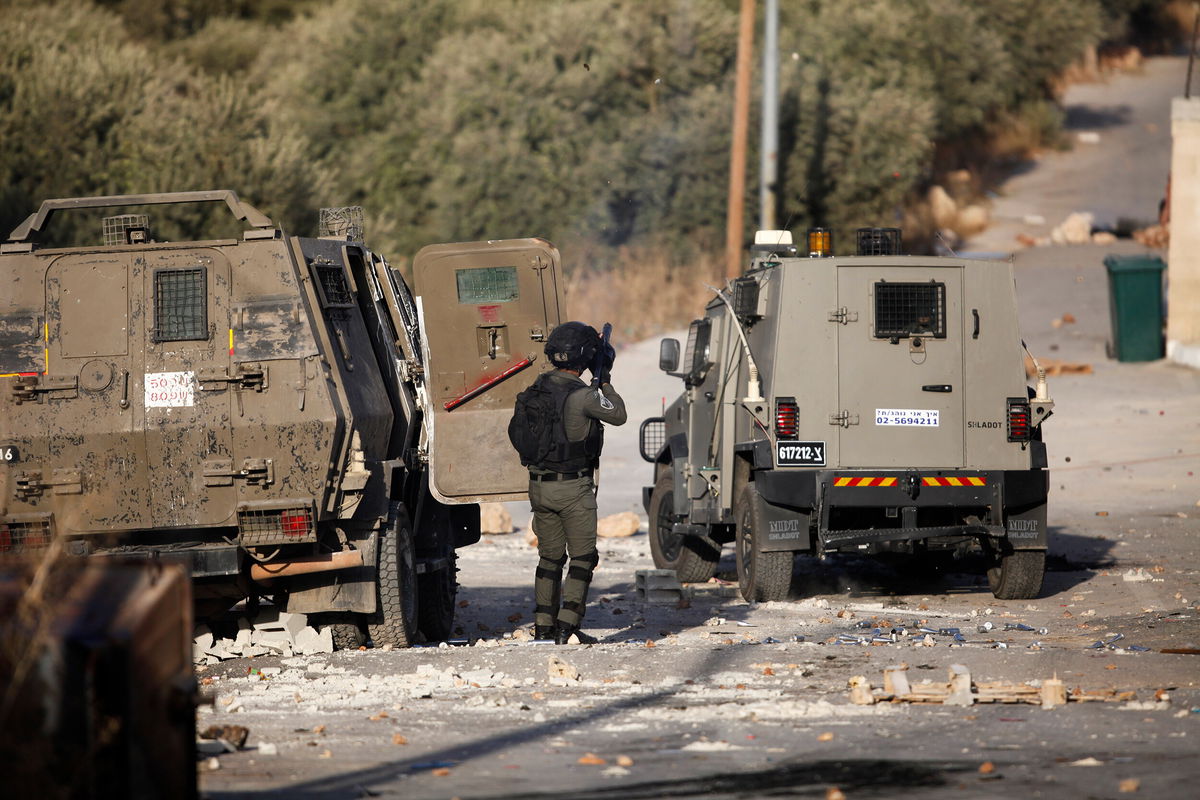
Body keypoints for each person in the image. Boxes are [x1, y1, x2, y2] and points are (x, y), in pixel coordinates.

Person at [522, 322, 625, 644]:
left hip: (539, 486)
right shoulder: (584, 396)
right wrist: (603, 380)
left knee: (549, 557)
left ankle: (543, 625)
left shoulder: (534, 390)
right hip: (572, 489)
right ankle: (567, 625)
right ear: (585, 357)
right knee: (583, 558)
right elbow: (618, 414)